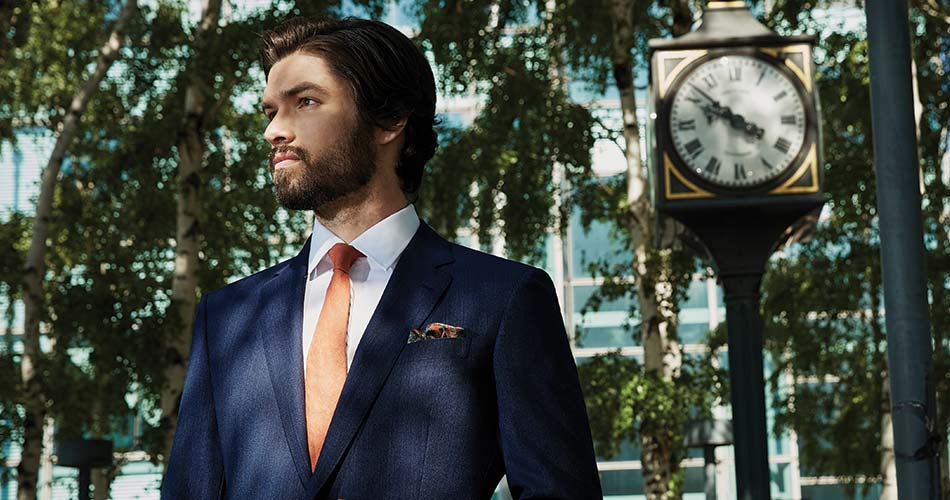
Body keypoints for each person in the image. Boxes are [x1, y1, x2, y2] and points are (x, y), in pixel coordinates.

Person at [162, 17, 602, 500]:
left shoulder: (503, 299)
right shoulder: (226, 318)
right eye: (269, 111)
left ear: (390, 120)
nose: (274, 131)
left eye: (304, 102)